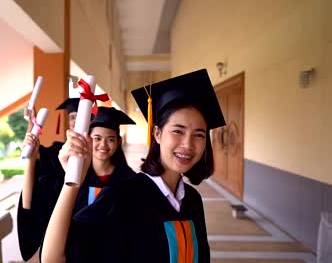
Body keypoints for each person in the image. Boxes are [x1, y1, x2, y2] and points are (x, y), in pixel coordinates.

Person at [41, 69, 226, 263]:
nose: (188, 144)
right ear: (157, 134)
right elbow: (53, 259)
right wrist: (72, 182)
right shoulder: (122, 196)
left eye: (199, 134)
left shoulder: (193, 200)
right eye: (178, 131)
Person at [18, 104, 136, 261]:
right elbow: (34, 205)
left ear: (119, 142)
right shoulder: (71, 177)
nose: (103, 145)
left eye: (110, 139)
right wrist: (30, 156)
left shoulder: (129, 181)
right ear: (88, 140)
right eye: (97, 138)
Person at [17, 97, 79, 261]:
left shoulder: (99, 156)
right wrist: (32, 124)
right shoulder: (56, 152)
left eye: (81, 116)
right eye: (72, 117)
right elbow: (33, 153)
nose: (76, 121)